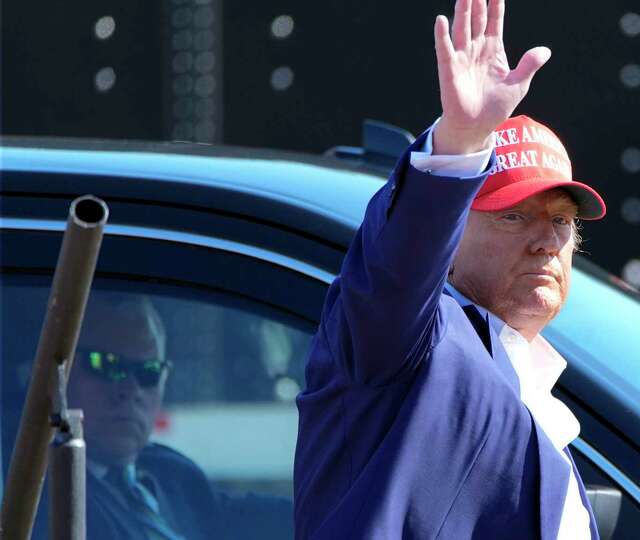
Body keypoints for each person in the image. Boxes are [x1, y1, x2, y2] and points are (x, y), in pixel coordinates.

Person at [294, 0, 607, 538]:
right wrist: (460, 145)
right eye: (513, 216)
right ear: (449, 235)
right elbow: (396, 271)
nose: (544, 242)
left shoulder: (529, 378)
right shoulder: (410, 342)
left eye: (560, 220)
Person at [31, 292, 292, 540]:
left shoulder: (171, 472)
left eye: (149, 372)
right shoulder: (39, 495)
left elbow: (257, 519)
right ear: (59, 376)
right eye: (106, 364)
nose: (130, 390)